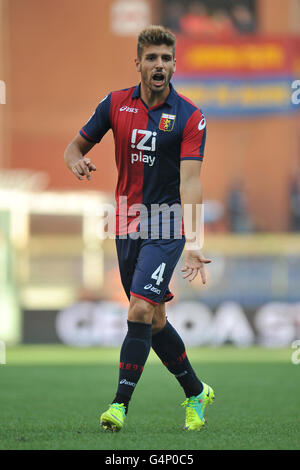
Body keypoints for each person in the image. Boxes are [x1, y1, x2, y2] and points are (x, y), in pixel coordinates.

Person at [64, 25, 214, 432]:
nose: (159, 65)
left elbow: (191, 182)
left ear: (174, 64)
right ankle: (196, 392)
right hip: (125, 222)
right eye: (152, 58)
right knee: (155, 321)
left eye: (166, 58)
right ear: (138, 64)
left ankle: (118, 405)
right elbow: (73, 146)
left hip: (166, 225)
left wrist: (195, 241)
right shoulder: (114, 104)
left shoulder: (190, 116)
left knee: (139, 309)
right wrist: (75, 160)